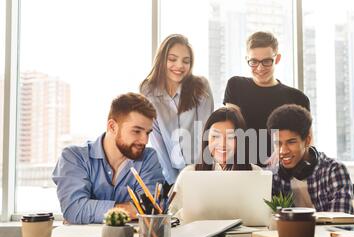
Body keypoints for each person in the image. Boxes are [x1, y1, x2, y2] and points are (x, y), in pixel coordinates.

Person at [52, 93, 165, 224]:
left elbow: (150, 209)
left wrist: (89, 209)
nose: (145, 140)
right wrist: (132, 209)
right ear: (112, 127)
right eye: (136, 131)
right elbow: (74, 210)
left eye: (148, 133)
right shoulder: (74, 157)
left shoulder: (148, 159)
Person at [223, 31, 310, 167]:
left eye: (267, 61)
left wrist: (285, 152)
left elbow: (307, 143)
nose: (260, 67)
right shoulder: (236, 86)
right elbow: (228, 129)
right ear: (247, 59)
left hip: (282, 172)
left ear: (277, 58)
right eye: (254, 62)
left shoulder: (297, 98)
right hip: (241, 169)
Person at [140, 34, 214, 187]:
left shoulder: (201, 86)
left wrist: (200, 175)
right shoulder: (148, 91)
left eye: (186, 61)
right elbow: (157, 141)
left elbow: (206, 133)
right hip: (170, 175)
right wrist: (175, 183)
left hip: (201, 171)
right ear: (162, 59)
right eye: (172, 59)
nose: (179, 66)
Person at [169, 106, 261, 216]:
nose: (222, 144)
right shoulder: (189, 174)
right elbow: (171, 218)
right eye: (215, 136)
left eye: (231, 137)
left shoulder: (257, 174)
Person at [267, 104, 354, 213]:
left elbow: (340, 224)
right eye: (278, 143)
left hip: (324, 231)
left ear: (307, 140)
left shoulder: (333, 170)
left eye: (291, 142)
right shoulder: (273, 175)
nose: (283, 151)